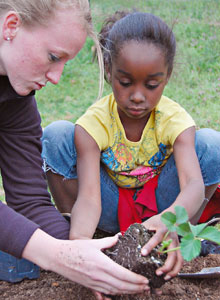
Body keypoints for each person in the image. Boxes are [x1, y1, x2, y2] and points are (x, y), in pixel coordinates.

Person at [41, 11, 220, 288]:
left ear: (167, 77)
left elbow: (193, 183)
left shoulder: (174, 119)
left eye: (151, 85)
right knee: (56, 135)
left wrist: (172, 218)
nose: (137, 96)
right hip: (109, 206)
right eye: (125, 83)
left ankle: (176, 239)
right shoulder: (94, 123)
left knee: (212, 144)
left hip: (162, 206)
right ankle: (96, 240)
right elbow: (89, 199)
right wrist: (79, 251)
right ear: (110, 70)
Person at [0, 2, 150, 298]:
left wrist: (105, 259)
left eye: (64, 63)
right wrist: (58, 255)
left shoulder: (16, 97)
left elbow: (30, 201)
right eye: (53, 57)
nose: (56, 77)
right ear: (11, 26)